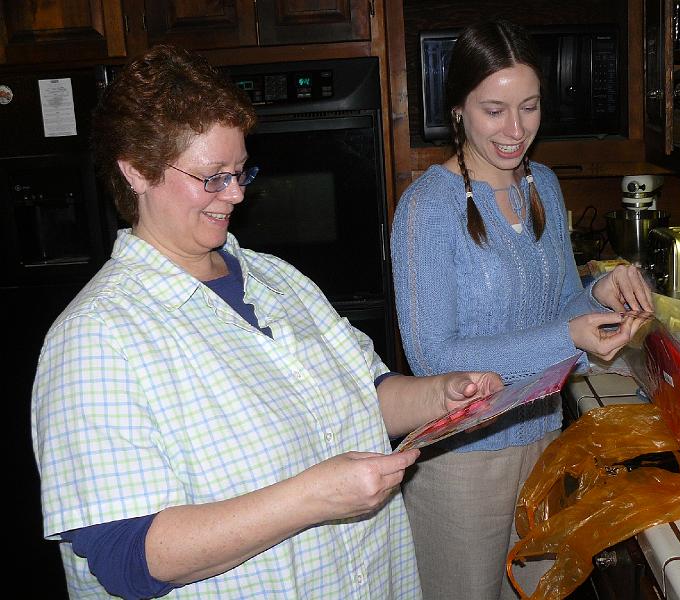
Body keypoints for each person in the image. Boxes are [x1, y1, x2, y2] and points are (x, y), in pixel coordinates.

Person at [30, 44, 504, 600]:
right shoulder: (95, 338)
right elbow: (127, 558)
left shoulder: (276, 278)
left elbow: (364, 392)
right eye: (211, 177)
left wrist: (440, 396)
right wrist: (312, 497)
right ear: (135, 171)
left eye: (240, 171)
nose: (235, 193)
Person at [390, 20, 653, 600]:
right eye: (494, 110)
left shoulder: (544, 185)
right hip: (463, 461)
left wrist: (602, 292)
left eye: (529, 108)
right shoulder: (426, 209)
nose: (515, 131)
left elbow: (561, 307)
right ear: (457, 110)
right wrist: (570, 335)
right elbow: (433, 355)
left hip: (543, 443)